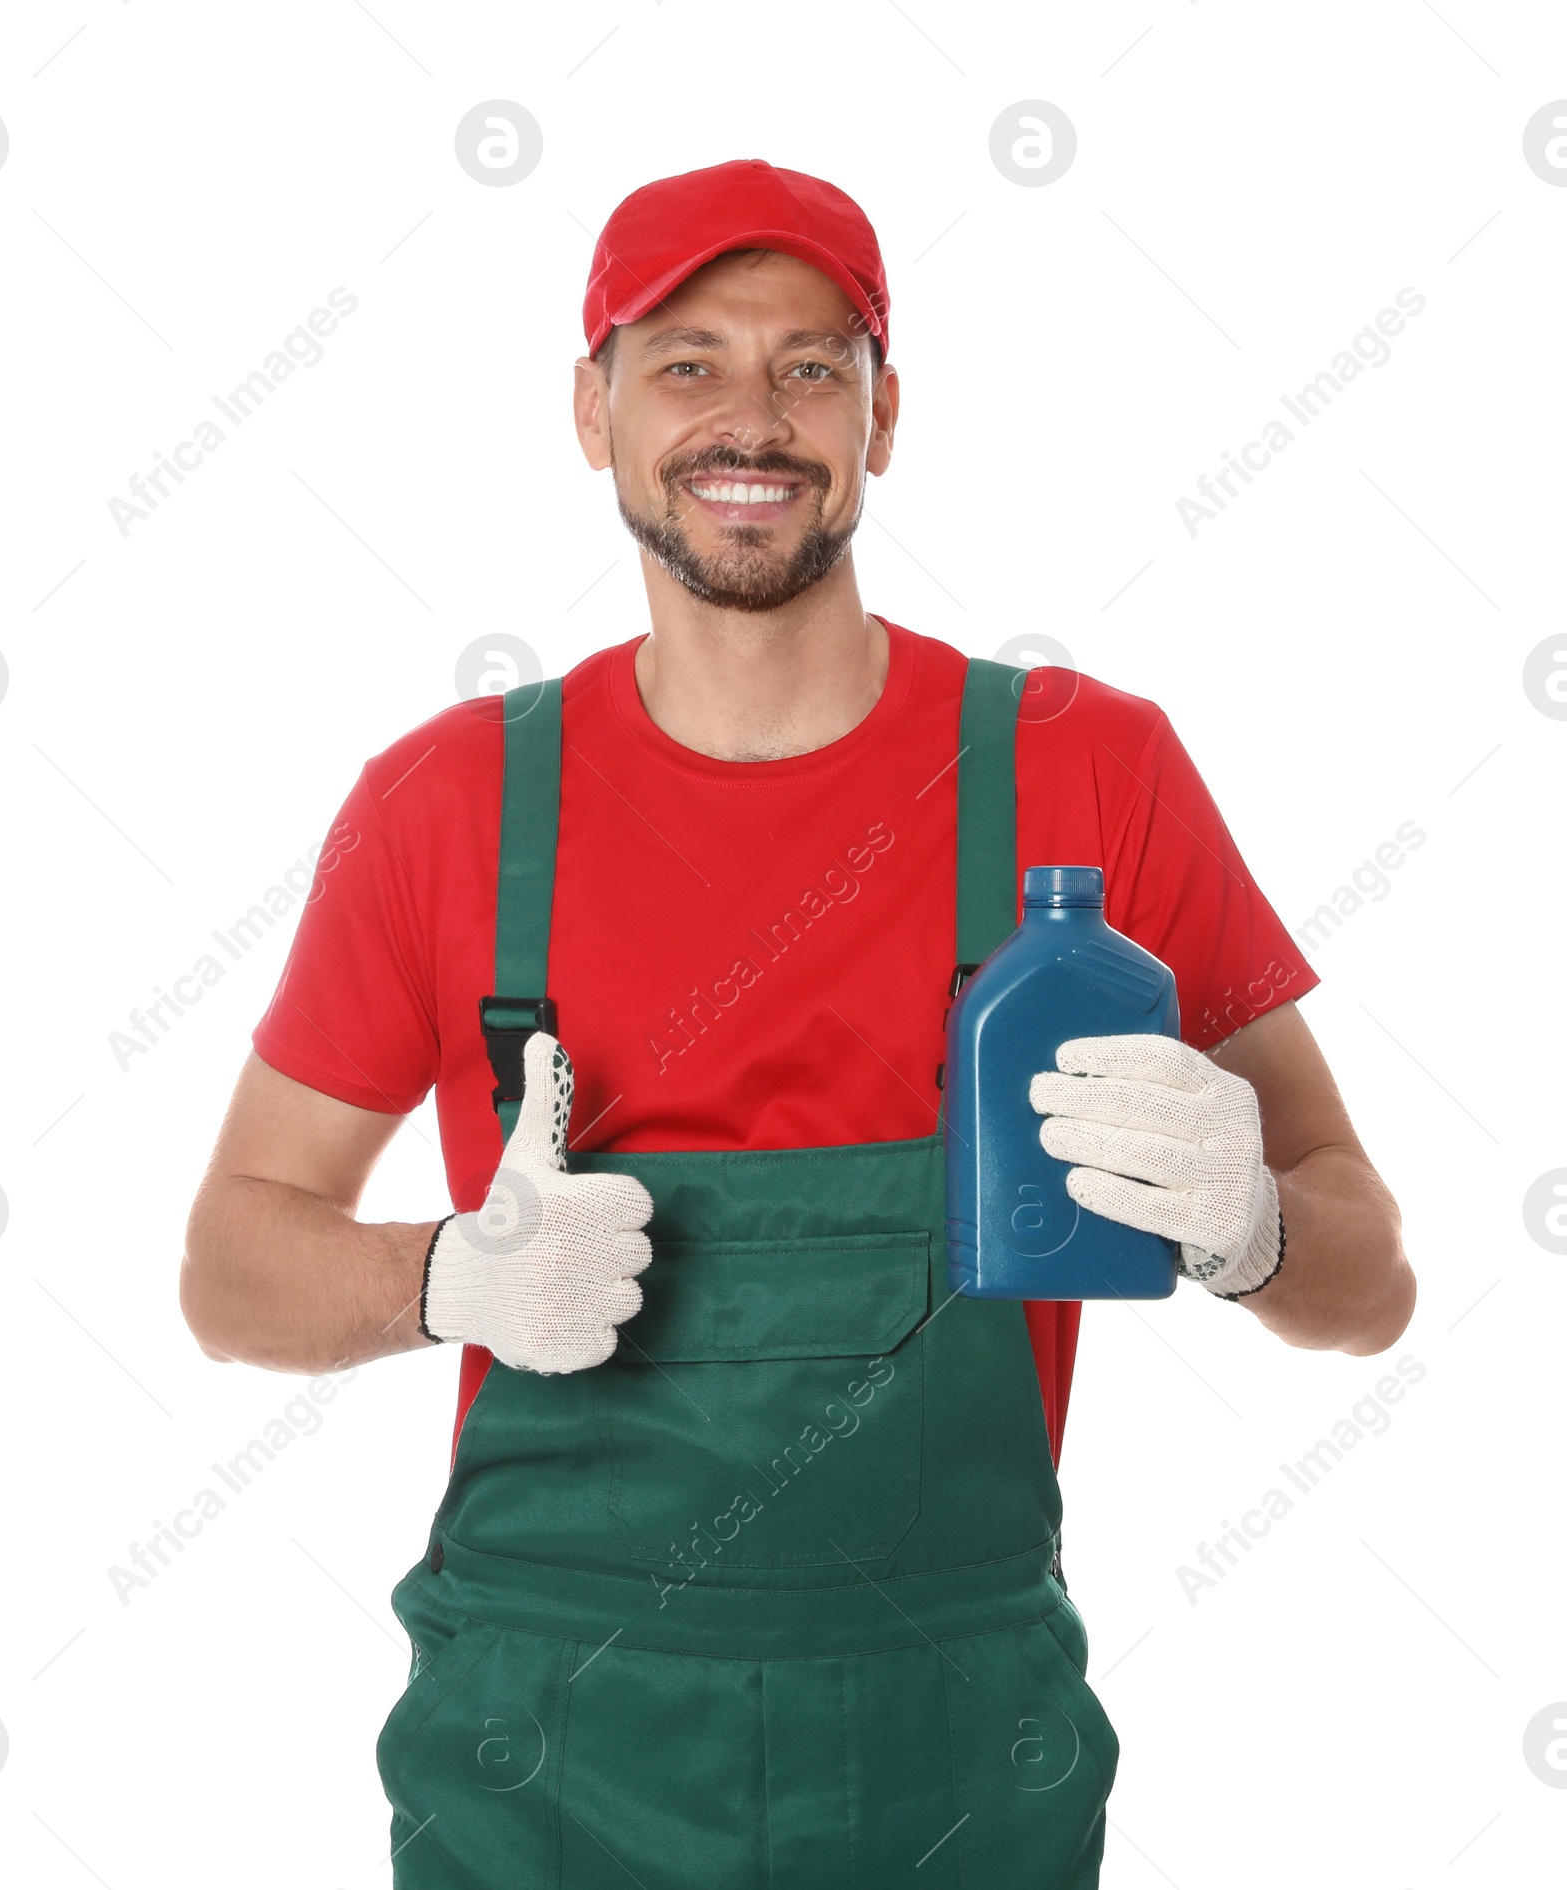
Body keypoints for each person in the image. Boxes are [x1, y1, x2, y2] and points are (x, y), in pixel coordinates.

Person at [180, 158, 1414, 1888]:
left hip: (960, 1757)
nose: (748, 416)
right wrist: (446, 1276)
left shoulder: (1086, 775)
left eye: (809, 364)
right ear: (592, 410)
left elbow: (1373, 1288)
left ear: (884, 415)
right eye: (685, 361)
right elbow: (232, 1263)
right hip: (546, 1748)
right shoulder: (450, 803)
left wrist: (1255, 1224)